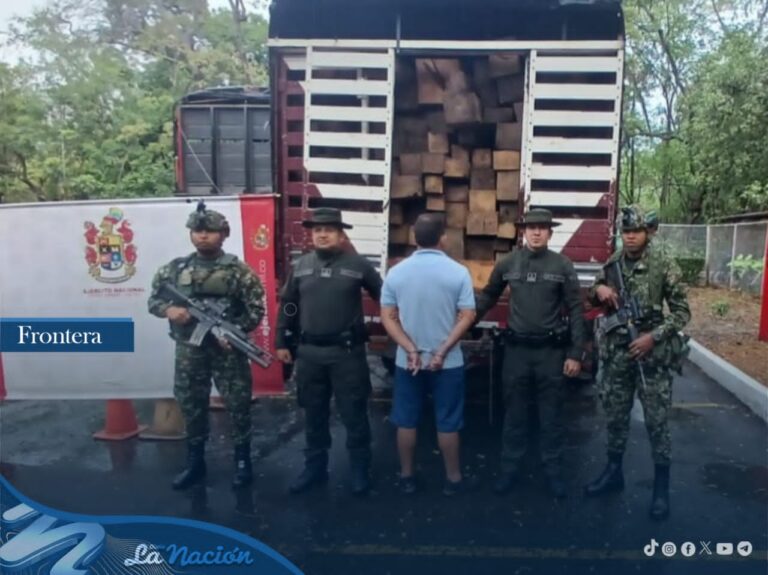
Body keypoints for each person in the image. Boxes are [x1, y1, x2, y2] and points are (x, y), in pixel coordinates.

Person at [148, 203, 266, 490]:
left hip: (228, 352)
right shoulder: (174, 270)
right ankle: (195, 462)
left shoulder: (240, 271)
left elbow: (255, 310)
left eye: (210, 231)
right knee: (191, 404)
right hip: (190, 350)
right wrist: (169, 311)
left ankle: (242, 461)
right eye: (198, 231)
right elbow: (154, 301)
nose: (203, 236)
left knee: (238, 405)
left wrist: (234, 331)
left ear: (223, 234)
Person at [584, 205, 691, 521]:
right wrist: (599, 288)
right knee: (615, 416)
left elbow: (682, 313)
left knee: (657, 422)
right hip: (617, 353)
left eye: (635, 232)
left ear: (649, 233)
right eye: (625, 232)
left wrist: (653, 337)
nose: (629, 237)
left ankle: (660, 490)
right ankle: (613, 473)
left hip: (651, 356)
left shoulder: (663, 265)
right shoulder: (614, 262)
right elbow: (592, 296)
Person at [475, 208, 587, 499]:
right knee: (514, 415)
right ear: (523, 231)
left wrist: (576, 353)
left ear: (550, 232)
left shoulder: (563, 265)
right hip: (516, 353)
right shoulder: (508, 263)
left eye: (542, 228)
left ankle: (553, 472)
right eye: (531, 227)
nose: (536, 232)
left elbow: (576, 310)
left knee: (551, 417)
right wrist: (464, 321)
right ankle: (509, 470)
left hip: (551, 354)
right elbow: (488, 296)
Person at [275, 207, 382, 496]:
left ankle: (360, 470)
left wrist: (395, 328)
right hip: (309, 354)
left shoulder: (359, 265)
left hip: (347, 354)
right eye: (317, 230)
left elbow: (385, 298)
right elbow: (289, 305)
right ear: (311, 235)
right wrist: (282, 341)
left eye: (329, 229)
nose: (322, 234)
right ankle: (314, 469)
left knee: (355, 414)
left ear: (341, 234)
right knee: (313, 414)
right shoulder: (300, 266)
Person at [380, 214, 477, 496]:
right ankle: (453, 480)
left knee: (406, 419)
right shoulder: (458, 272)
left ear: (414, 238)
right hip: (447, 362)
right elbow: (467, 315)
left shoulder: (397, 273)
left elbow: (388, 316)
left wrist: (409, 348)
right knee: (447, 421)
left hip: (407, 362)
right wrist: (443, 350)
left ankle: (407, 477)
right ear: (442, 239)